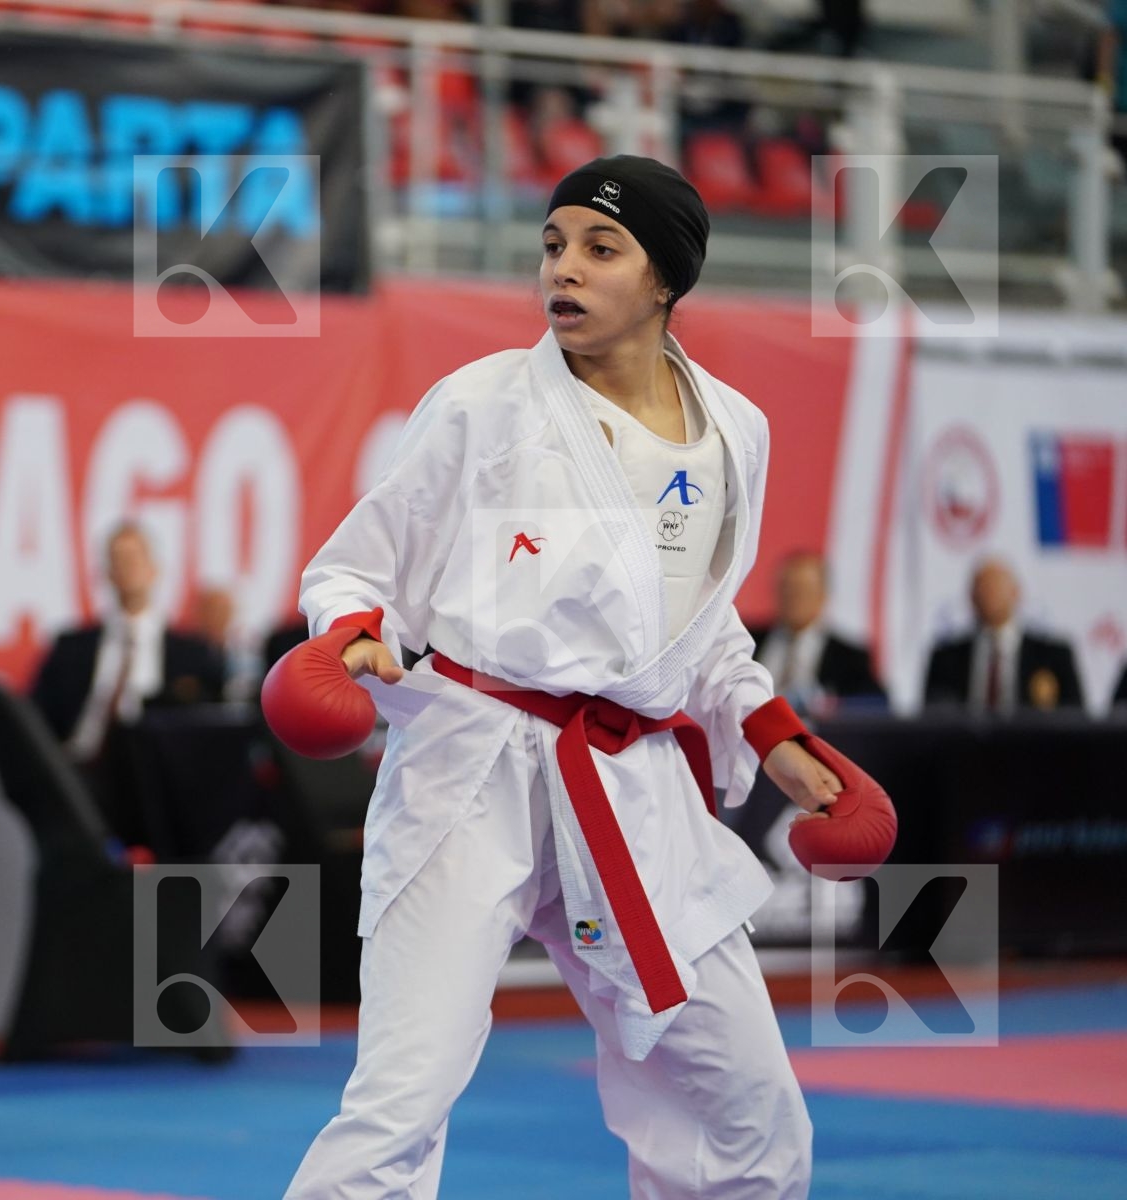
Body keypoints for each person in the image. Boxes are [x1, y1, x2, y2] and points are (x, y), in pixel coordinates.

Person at [283, 155, 850, 1197]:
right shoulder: (484, 404)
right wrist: (355, 631)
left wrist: (772, 731)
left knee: (748, 1102)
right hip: (474, 767)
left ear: (667, 279)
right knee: (401, 1098)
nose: (566, 270)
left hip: (629, 784)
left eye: (600, 249)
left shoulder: (736, 431)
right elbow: (361, 562)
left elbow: (698, 621)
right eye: (553, 246)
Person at [31, 522, 223, 844]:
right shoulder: (71, 648)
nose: (127, 568)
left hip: (160, 784)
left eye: (135, 558)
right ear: (106, 572)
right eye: (118, 559)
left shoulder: (192, 655)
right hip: (82, 775)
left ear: (154, 569)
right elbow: (36, 717)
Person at [922, 556, 1084, 712]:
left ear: (1016, 593)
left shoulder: (1054, 657)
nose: (990, 595)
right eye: (982, 588)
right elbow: (932, 720)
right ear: (971, 597)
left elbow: (1075, 721)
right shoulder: (945, 659)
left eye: (997, 587)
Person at [748, 550, 886, 710]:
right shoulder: (746, 640)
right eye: (787, 588)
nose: (794, 598)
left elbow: (874, 707)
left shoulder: (850, 657)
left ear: (823, 595)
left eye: (803, 590)